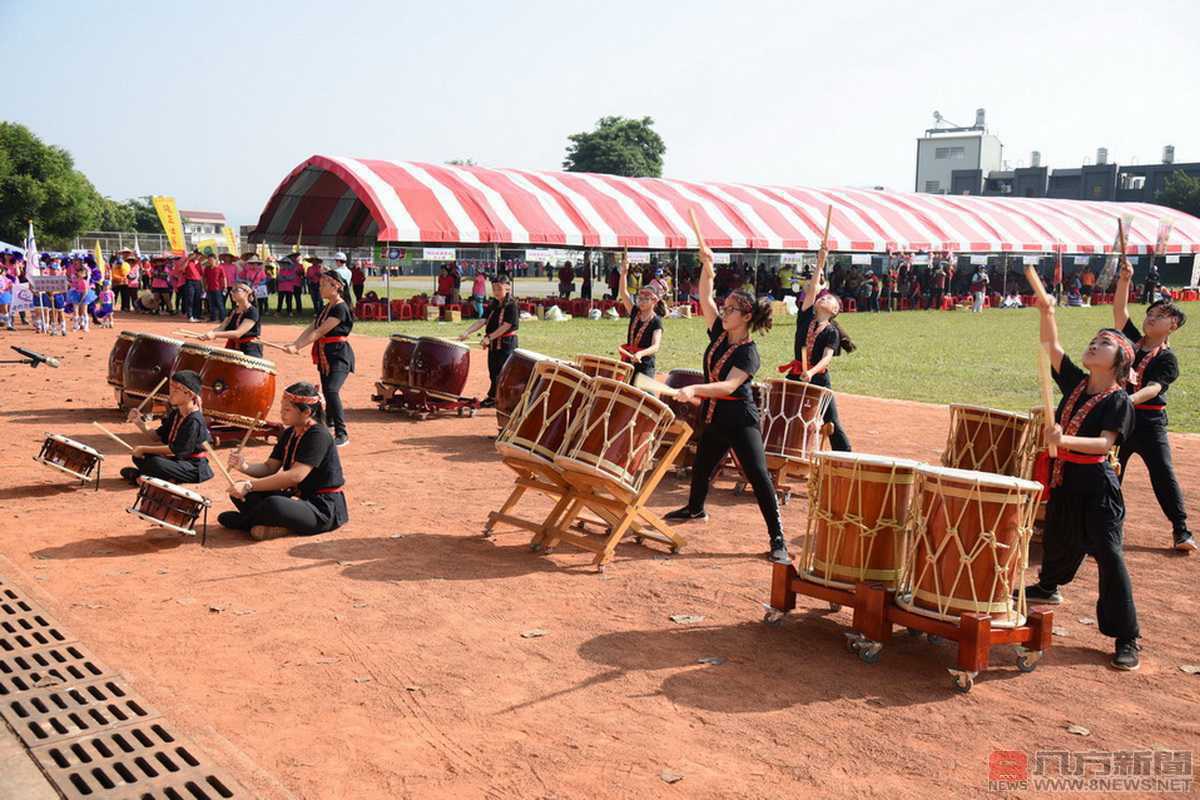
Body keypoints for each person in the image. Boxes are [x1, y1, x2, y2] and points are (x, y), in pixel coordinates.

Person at [1023, 291, 1140, 669]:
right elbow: (1051, 345)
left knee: (1108, 555)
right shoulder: (1075, 383)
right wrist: (1048, 311)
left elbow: (1104, 444)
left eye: (1104, 342)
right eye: (1092, 340)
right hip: (1066, 478)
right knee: (1059, 537)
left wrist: (1063, 439)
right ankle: (1048, 587)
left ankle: (1127, 636)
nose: (1094, 344)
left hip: (1097, 486)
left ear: (1121, 359)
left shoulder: (1118, 399)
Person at [663, 236, 788, 564]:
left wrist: (694, 390)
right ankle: (695, 509)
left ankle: (778, 538)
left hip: (740, 419)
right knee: (702, 465)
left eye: (731, 308)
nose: (724, 310)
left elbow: (730, 386)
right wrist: (708, 266)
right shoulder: (719, 333)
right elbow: (704, 296)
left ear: (745, 317)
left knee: (758, 475)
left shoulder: (749, 353)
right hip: (716, 416)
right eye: (726, 306)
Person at [1113, 257, 1193, 550]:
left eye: (1158, 316)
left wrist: (1125, 399)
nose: (1150, 317)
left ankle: (1181, 530)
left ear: (1172, 325)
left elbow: (1154, 388)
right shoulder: (1132, 343)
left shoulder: (1167, 358)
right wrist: (1124, 280)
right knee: (1110, 473)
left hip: (1148, 422)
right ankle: (1111, 526)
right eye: (1149, 313)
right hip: (1121, 420)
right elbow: (1120, 313)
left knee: (1162, 473)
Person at [219, 382, 348, 540]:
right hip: (294, 498)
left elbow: (295, 476)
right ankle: (268, 523)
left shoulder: (318, 435)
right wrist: (243, 466)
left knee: (275, 504)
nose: (282, 413)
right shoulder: (289, 433)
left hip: (321, 507)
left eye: (287, 409)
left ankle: (248, 522)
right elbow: (269, 467)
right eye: (282, 408)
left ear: (306, 412)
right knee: (238, 491)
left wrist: (249, 486)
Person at [786, 262, 853, 451]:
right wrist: (820, 261)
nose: (825, 298)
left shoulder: (832, 332)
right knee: (785, 410)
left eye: (830, 299)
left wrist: (812, 372)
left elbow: (827, 357)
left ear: (834, 311)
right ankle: (779, 448)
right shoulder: (806, 317)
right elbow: (814, 288)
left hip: (819, 378)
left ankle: (844, 455)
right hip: (797, 373)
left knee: (831, 419)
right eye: (823, 297)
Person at [285, 270, 354, 447]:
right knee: (327, 390)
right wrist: (294, 343)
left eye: (323, 285)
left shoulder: (340, 307)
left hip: (339, 355)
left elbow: (320, 332)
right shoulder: (327, 307)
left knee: (331, 390)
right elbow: (312, 327)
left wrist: (298, 346)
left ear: (336, 286)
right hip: (326, 354)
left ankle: (342, 433)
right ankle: (326, 427)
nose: (320, 288)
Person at [121, 370, 215, 485]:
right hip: (177, 461)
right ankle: (151, 478)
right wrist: (139, 422)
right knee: (139, 457)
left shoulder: (194, 421)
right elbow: (155, 436)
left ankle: (146, 478)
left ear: (189, 395)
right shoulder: (176, 414)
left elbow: (175, 450)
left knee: (156, 463)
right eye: (171, 387)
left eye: (176, 389)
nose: (171, 392)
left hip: (193, 467)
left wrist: (143, 448)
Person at [459, 274, 517, 407]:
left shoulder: (512, 305)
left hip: (506, 344)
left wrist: (489, 337)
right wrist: (467, 332)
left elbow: (506, 326)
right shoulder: (494, 303)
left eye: (499, 288)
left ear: (507, 287)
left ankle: (503, 399)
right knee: (493, 370)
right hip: (493, 343)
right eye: (494, 289)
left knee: (503, 372)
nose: (496, 292)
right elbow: (483, 320)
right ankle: (493, 397)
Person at [616, 253, 665, 383]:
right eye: (640, 298)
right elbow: (623, 292)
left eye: (646, 299)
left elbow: (655, 346)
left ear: (654, 301)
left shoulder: (656, 321)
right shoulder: (635, 312)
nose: (641, 302)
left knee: (644, 396)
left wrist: (640, 354)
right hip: (628, 360)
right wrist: (624, 273)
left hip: (645, 364)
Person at [197, 280, 262, 357]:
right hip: (233, 347)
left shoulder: (252, 311)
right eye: (232, 290)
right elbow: (222, 327)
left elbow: (238, 333)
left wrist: (214, 334)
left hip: (249, 349)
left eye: (236, 290)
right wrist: (208, 334)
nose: (232, 293)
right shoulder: (233, 311)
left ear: (247, 292)